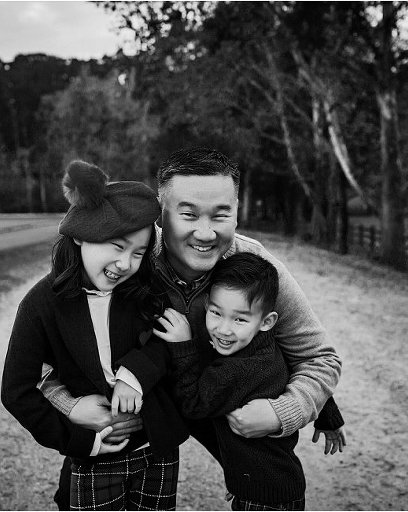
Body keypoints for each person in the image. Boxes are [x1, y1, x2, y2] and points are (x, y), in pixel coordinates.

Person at [41, 147, 346, 508]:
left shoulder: (257, 270)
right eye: (188, 214)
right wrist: (73, 407)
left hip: (222, 400)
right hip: (147, 410)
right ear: (160, 212)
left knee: (269, 483)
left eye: (221, 214)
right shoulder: (122, 262)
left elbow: (319, 358)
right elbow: (47, 357)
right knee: (86, 485)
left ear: (237, 210)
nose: (205, 233)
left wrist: (286, 412)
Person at [1, 160, 188, 510]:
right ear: (80, 235)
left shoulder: (142, 290)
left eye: (138, 253)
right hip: (94, 454)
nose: (125, 264)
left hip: (156, 446)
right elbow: (16, 391)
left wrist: (135, 373)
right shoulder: (41, 304)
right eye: (117, 246)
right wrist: (79, 437)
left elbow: (169, 342)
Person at [155, 252, 343, 510]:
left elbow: (193, 404)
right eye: (216, 313)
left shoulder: (238, 369)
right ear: (206, 304)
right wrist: (328, 416)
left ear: (267, 322)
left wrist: (183, 347)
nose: (223, 329)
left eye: (240, 319)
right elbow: (292, 366)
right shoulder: (265, 346)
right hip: (274, 485)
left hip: (264, 497)